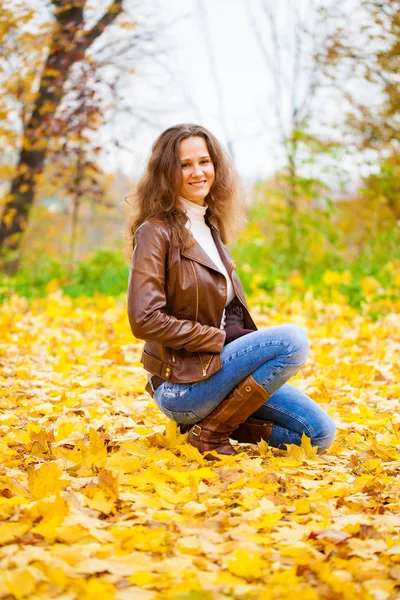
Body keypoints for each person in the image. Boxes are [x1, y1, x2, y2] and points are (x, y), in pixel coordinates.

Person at [126, 123, 336, 461]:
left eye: (204, 162)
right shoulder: (155, 232)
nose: (198, 172)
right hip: (182, 386)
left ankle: (206, 425)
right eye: (185, 164)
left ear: (215, 167)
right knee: (291, 340)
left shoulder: (210, 227)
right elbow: (144, 320)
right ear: (166, 172)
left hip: (219, 373)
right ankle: (210, 434)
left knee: (319, 435)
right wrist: (213, 340)